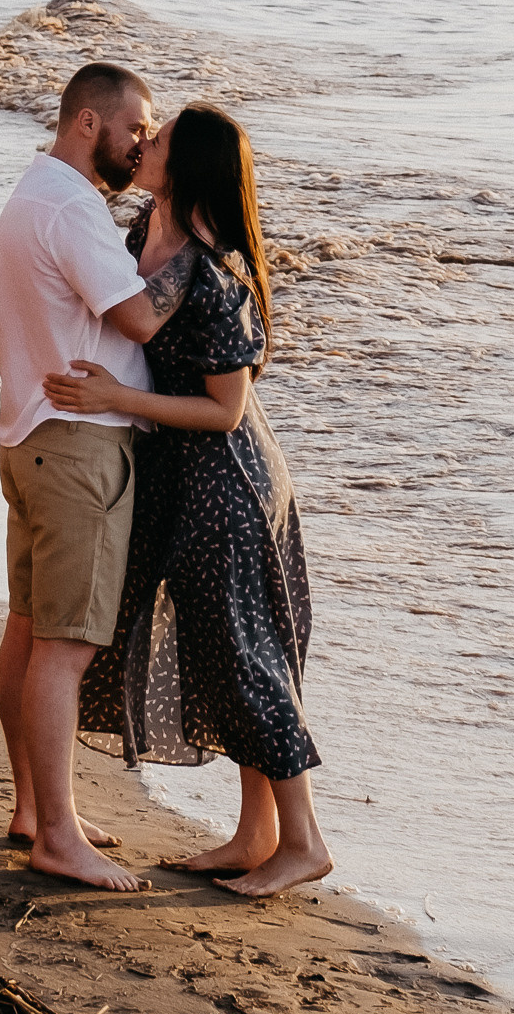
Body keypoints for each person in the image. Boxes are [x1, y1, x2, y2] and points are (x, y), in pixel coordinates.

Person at [55, 102, 331, 900]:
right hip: (174, 473)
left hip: (228, 483)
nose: (144, 144)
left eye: (162, 139)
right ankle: (254, 836)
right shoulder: (147, 226)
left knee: (244, 654)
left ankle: (304, 840)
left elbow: (225, 412)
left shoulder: (213, 272)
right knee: (220, 650)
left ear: (190, 166)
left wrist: (117, 396)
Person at [0, 60, 165, 889]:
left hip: (28, 438)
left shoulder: (31, 196)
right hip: (78, 448)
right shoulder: (72, 209)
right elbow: (138, 316)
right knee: (63, 647)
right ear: (89, 123)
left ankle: (33, 809)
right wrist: (195, 248)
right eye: (134, 128)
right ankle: (57, 834)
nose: (139, 146)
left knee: (27, 630)